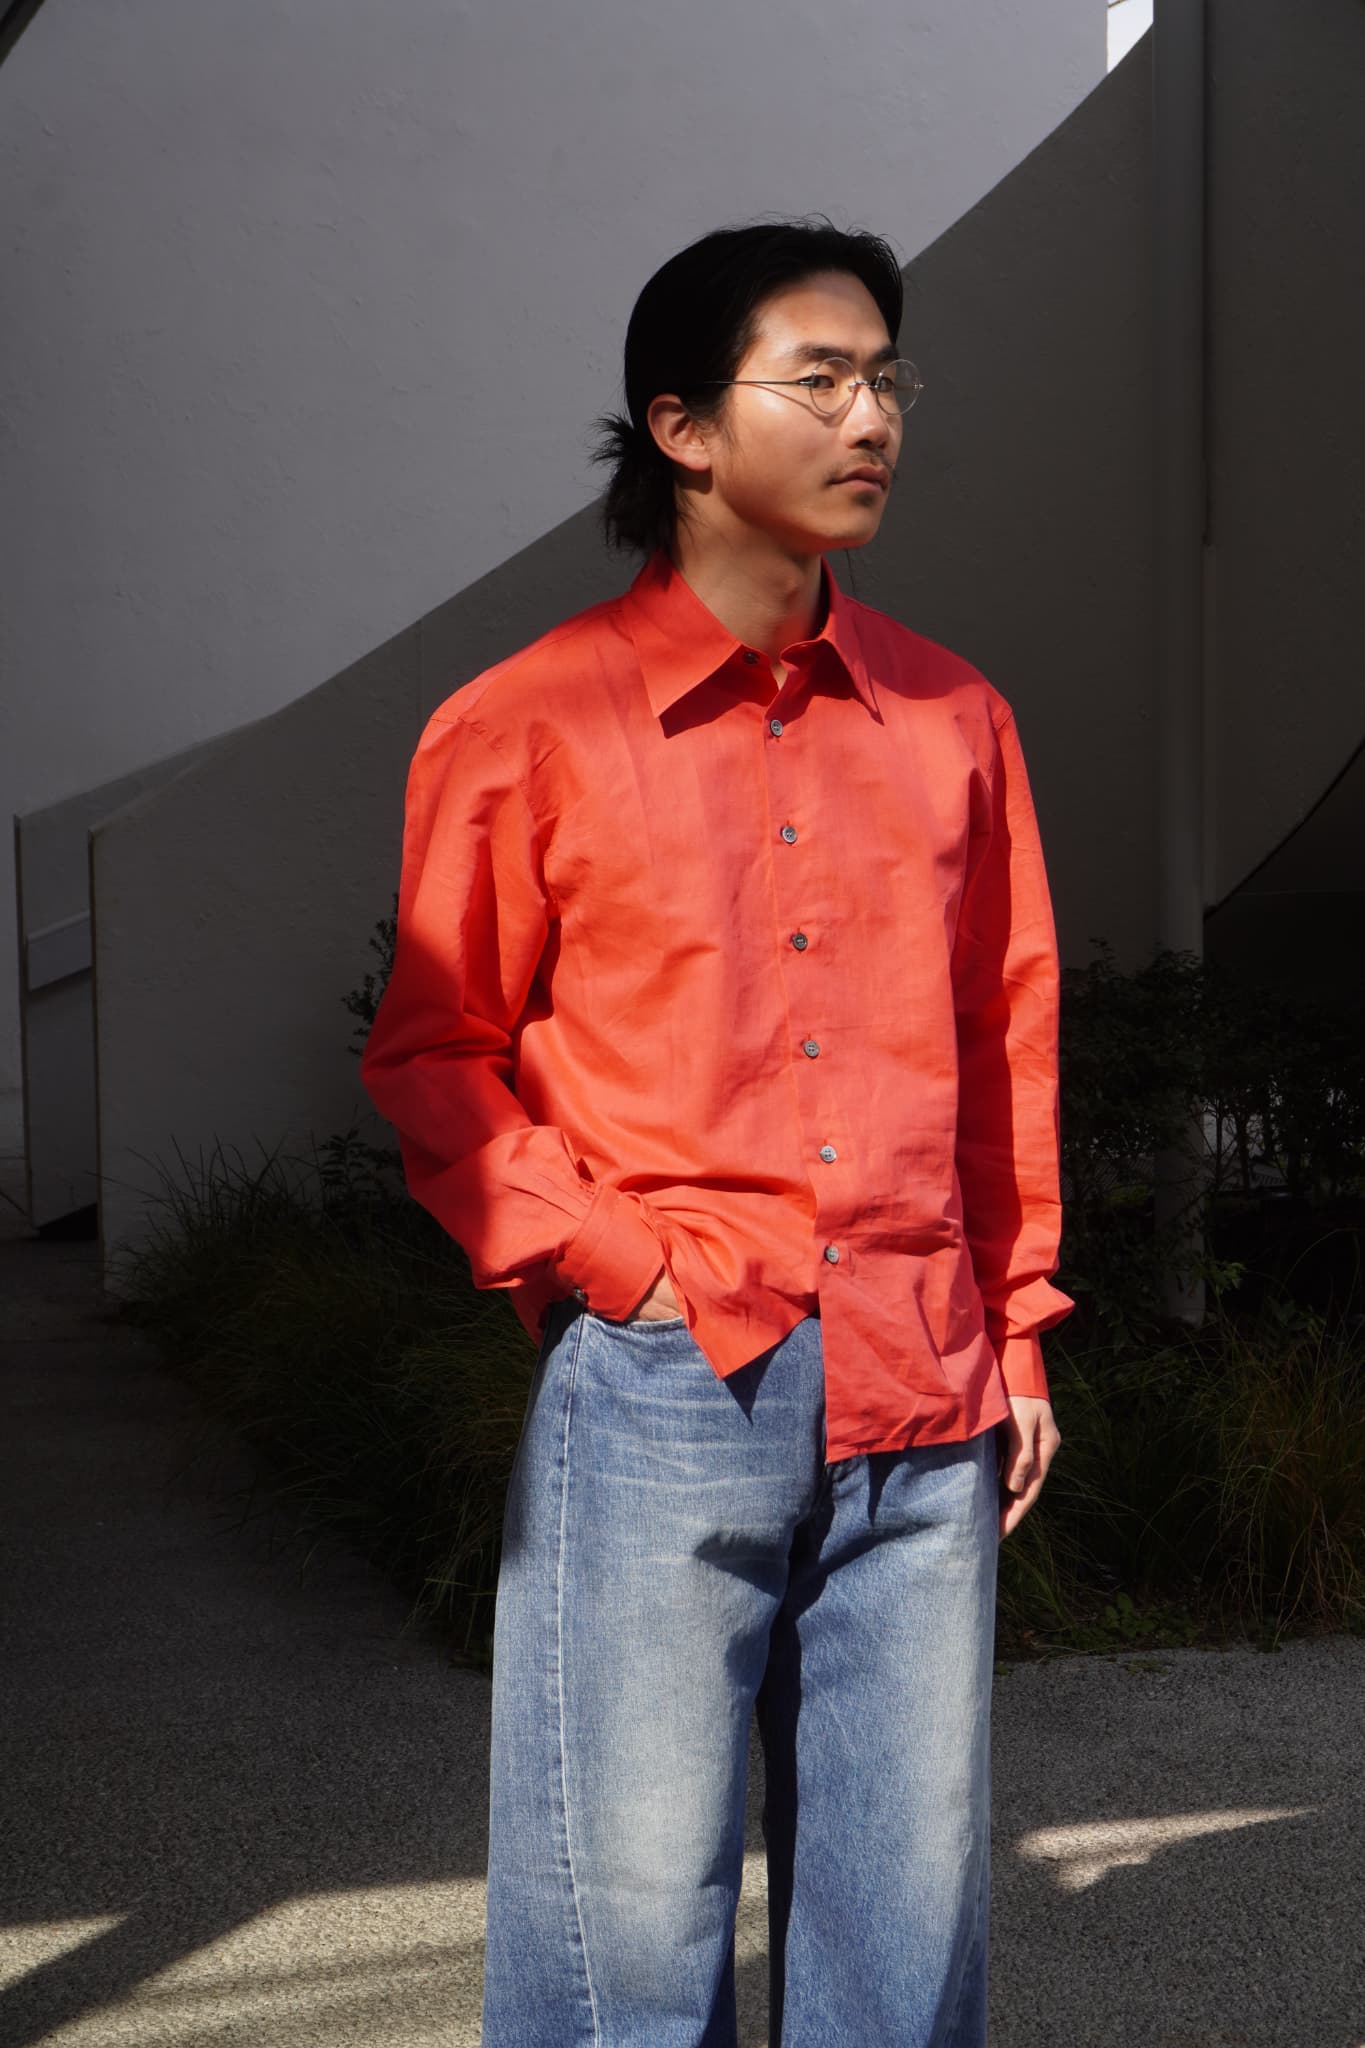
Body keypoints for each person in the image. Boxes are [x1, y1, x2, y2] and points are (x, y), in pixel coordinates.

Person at [361, 216, 1073, 2048]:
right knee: (625, 1938)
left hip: (923, 1378)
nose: (872, 418)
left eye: (885, 379)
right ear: (680, 429)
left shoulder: (954, 719)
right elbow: (436, 1049)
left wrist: (1015, 1327)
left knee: (902, 1941)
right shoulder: (526, 723)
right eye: (817, 379)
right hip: (671, 1378)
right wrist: (614, 1266)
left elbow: (1001, 1041)